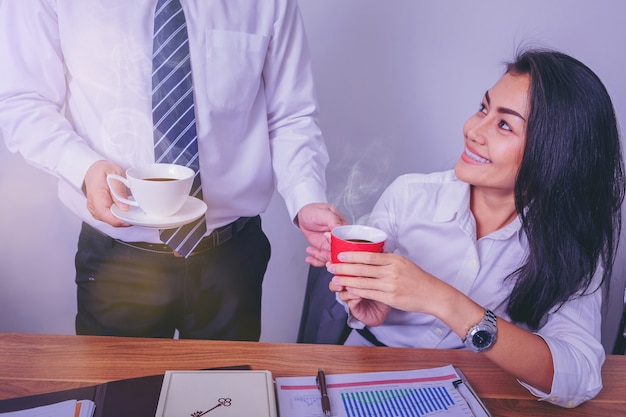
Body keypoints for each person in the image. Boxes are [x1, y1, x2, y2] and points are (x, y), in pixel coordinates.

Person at [0, 0, 345, 340]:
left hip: (230, 260)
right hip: (117, 260)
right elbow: (22, 101)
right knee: (118, 396)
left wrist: (306, 198)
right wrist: (83, 167)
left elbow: (291, 115)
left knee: (225, 395)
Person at [327, 49, 625, 408]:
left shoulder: (570, 244)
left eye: (504, 124)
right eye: (484, 108)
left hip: (476, 388)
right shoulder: (409, 195)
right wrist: (363, 301)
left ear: (555, 154)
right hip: (365, 371)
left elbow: (578, 378)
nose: (473, 130)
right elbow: (358, 302)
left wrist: (443, 300)